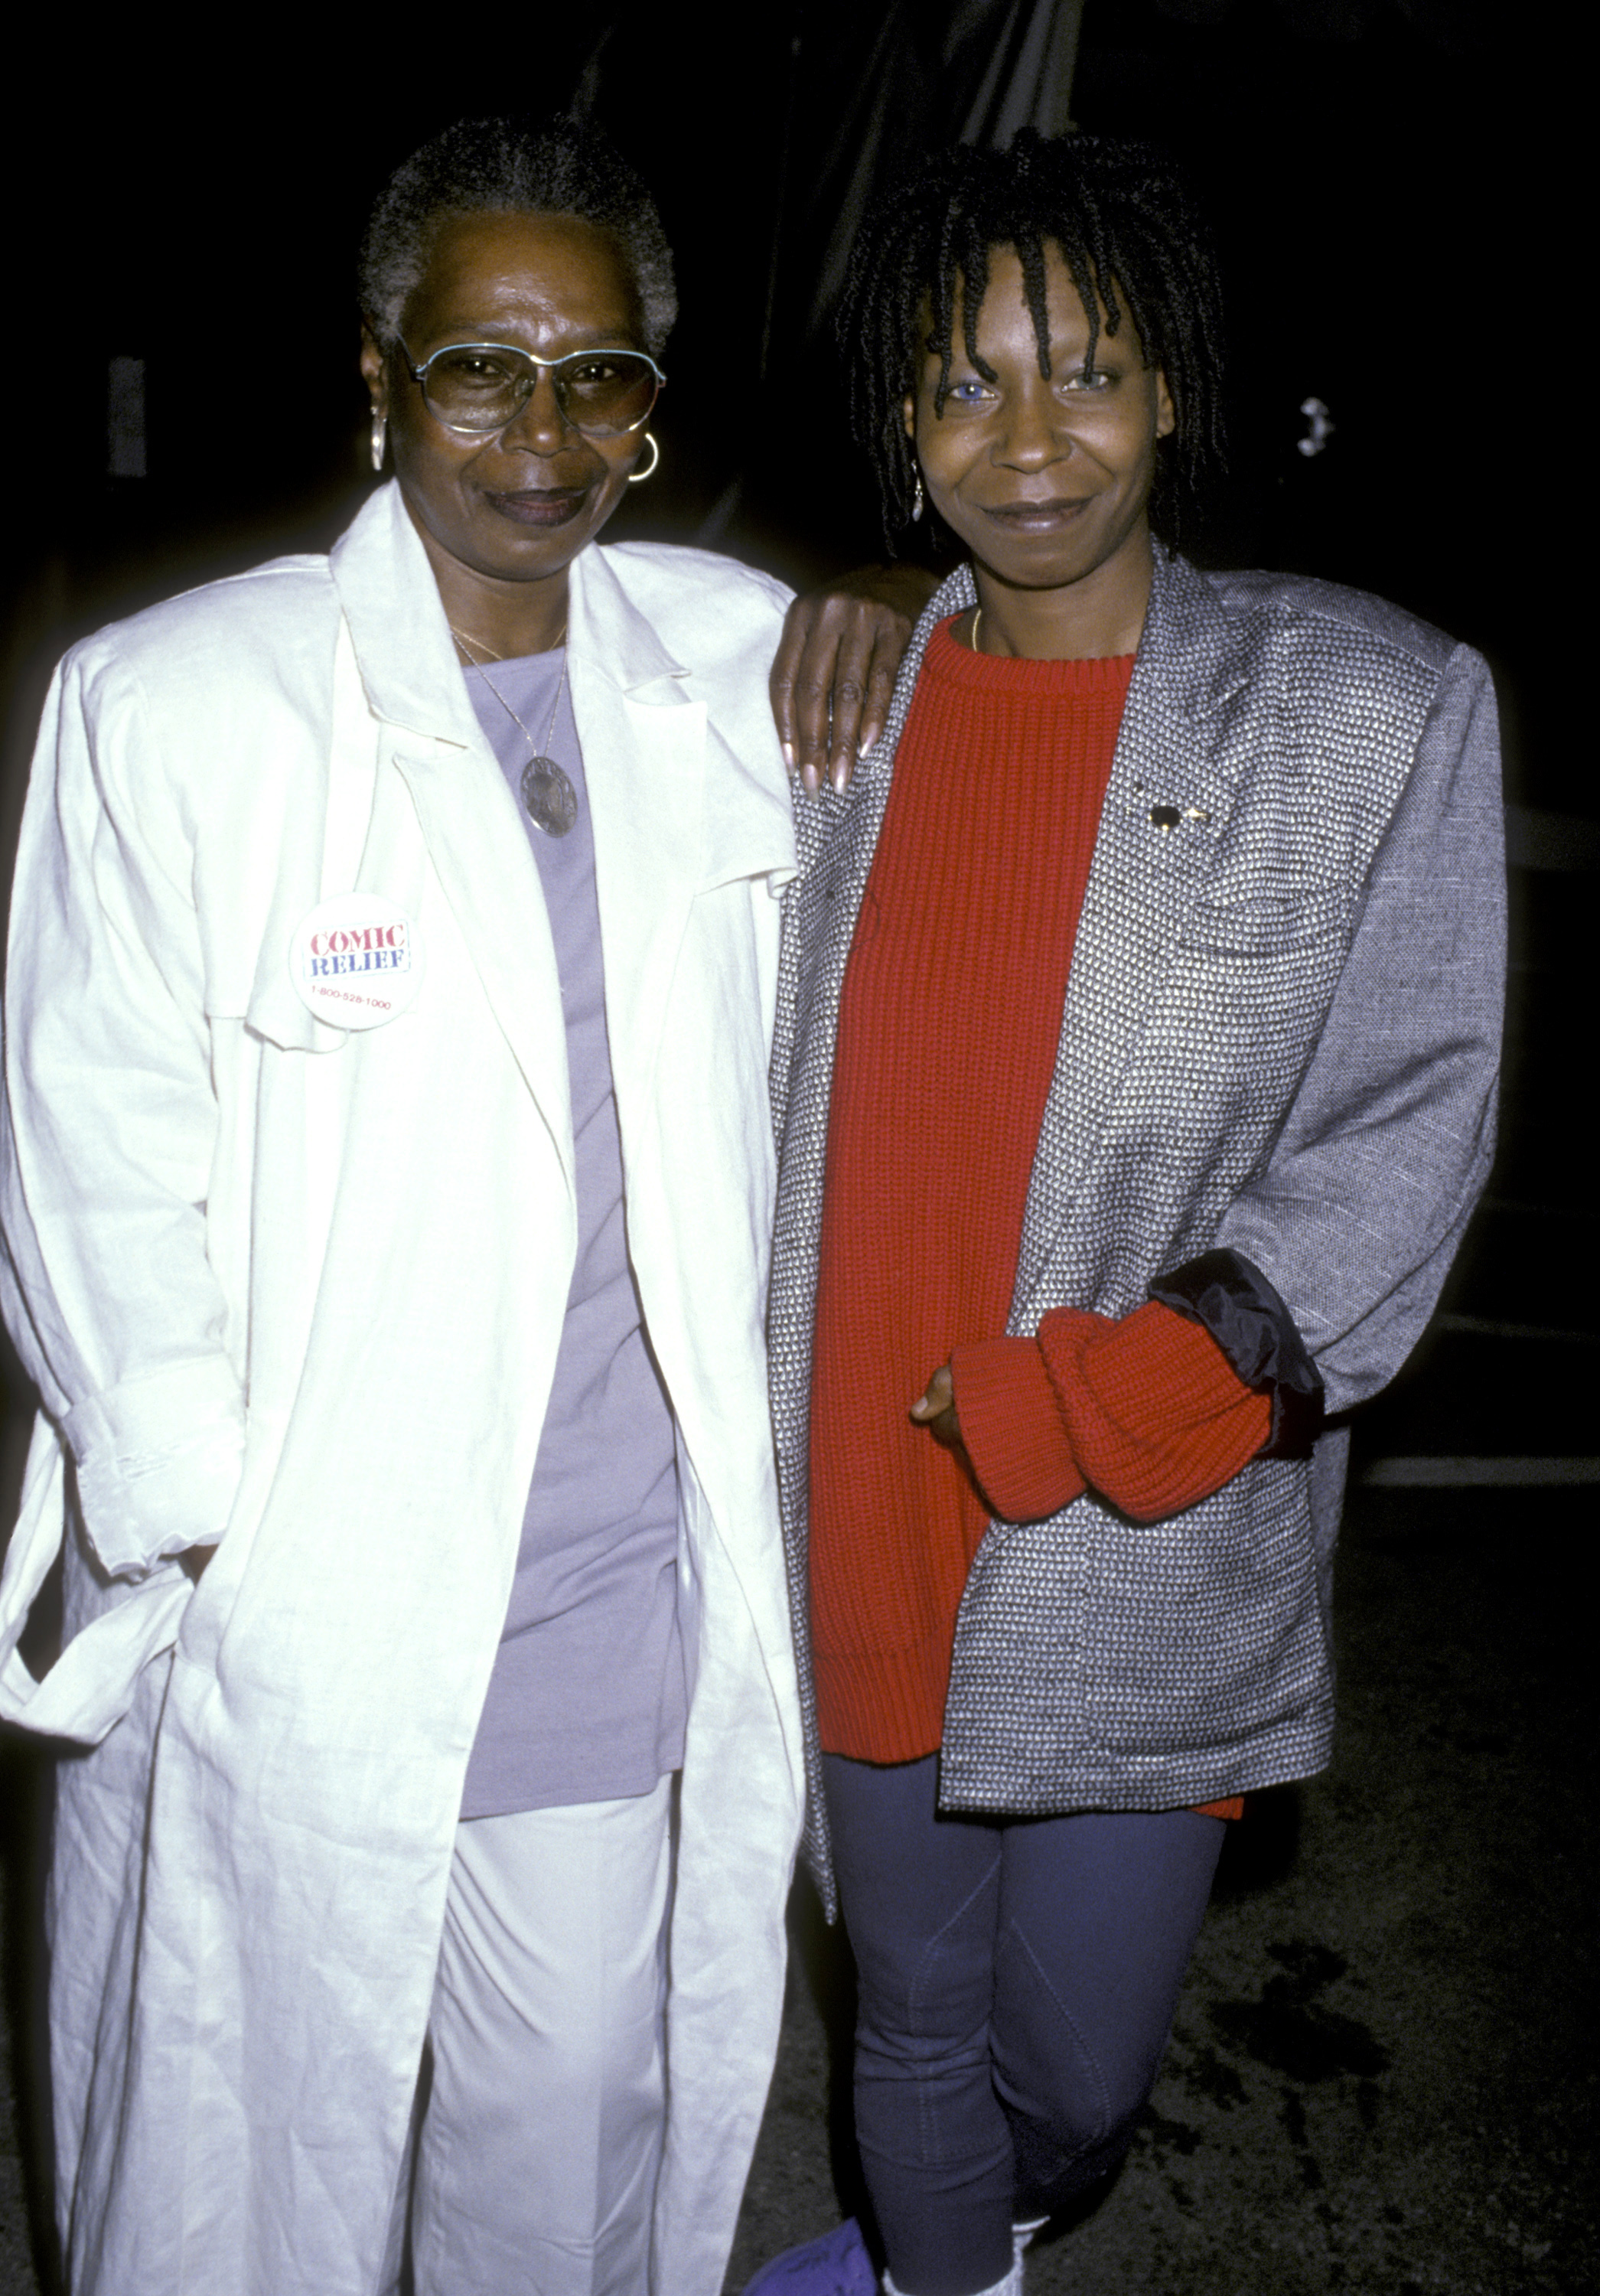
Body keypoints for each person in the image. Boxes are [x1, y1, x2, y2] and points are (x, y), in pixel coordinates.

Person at [0, 114, 914, 2296]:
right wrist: (211, 1521)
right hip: (302, 1602)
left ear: (649, 409)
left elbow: (989, 741)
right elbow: (83, 1149)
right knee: (240, 2172)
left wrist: (911, 601)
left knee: (557, 2183)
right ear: (376, 381)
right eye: (476, 372)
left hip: (606, 1609)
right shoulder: (182, 704)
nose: (541, 432)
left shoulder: (728, 659)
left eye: (596, 377)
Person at [748, 132, 1504, 2296]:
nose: (1028, 436)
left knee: (1070, 2088)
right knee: (901, 2010)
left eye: (1080, 369)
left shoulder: (1362, 709)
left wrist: (1129, 1395)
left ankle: (938, 2239)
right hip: (854, 1492)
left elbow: (1409, 1109)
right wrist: (847, 612)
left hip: (1122, 1507)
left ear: (1170, 386)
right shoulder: (823, 722)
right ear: (903, 435)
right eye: (961, 385)